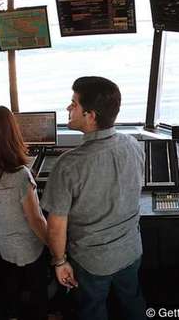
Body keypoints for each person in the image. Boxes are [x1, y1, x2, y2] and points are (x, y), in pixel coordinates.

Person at [42, 76, 146, 320]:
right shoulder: (134, 145)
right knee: (132, 301)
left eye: (73, 104)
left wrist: (59, 262)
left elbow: (56, 227)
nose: (68, 108)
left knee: (92, 309)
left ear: (90, 115)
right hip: (131, 251)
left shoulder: (68, 165)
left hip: (92, 262)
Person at [0, 106, 50, 320]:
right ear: (11, 133)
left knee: (12, 278)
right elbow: (36, 221)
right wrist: (55, 248)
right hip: (29, 248)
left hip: (3, 244)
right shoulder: (20, 176)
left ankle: (12, 313)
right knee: (38, 286)